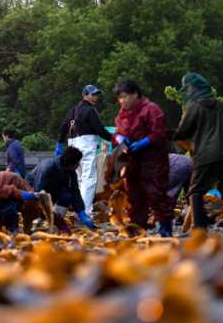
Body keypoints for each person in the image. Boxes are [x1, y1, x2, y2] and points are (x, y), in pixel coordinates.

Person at [172, 72, 223, 236]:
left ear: (194, 88)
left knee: (195, 191)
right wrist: (222, 141)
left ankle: (200, 231)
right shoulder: (219, 105)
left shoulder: (194, 107)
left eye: (188, 88)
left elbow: (182, 132)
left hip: (205, 155)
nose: (188, 91)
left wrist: (186, 142)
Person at [113, 80, 172, 236]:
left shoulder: (151, 109)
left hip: (153, 159)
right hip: (132, 160)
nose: (122, 101)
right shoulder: (122, 113)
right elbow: (118, 131)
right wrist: (120, 139)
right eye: (119, 98)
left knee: (156, 193)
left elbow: (159, 132)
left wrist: (143, 142)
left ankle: (165, 228)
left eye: (125, 97)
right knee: (134, 195)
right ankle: (138, 229)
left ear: (135, 94)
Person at [56, 84, 114, 216]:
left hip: (73, 145)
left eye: (96, 95)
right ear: (85, 95)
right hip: (86, 145)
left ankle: (77, 209)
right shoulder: (90, 110)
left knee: (78, 178)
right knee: (89, 178)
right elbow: (99, 130)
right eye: (92, 94)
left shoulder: (72, 110)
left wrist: (59, 142)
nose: (95, 97)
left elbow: (64, 126)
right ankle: (85, 211)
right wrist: (114, 139)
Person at [27, 146, 96, 230]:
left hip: (52, 192)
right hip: (33, 193)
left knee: (66, 196)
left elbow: (75, 192)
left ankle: (54, 223)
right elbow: (38, 191)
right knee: (37, 208)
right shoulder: (48, 167)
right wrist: (48, 212)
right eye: (77, 162)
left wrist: (82, 213)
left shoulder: (71, 172)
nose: (78, 165)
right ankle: (39, 220)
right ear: (70, 163)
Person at [167, 153, 193, 217]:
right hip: (189, 161)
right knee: (192, 194)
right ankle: (195, 219)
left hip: (176, 164)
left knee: (169, 195)